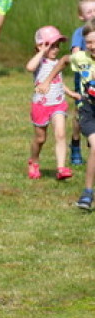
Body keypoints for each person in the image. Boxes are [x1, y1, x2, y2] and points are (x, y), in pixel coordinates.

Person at [26, 26, 77, 181]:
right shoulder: (40, 61)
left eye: (57, 46)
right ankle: (33, 161)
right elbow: (29, 67)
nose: (55, 49)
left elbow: (58, 82)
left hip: (58, 104)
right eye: (51, 45)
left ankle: (61, 168)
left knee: (60, 134)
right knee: (40, 139)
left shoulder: (58, 62)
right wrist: (42, 51)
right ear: (40, 45)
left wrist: (70, 93)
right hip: (41, 105)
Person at [70, 21, 95, 210]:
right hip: (88, 110)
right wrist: (47, 80)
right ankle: (87, 193)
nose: (92, 46)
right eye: (89, 42)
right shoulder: (80, 57)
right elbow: (62, 61)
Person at [69, 0, 95, 166]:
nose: (94, 14)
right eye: (89, 11)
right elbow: (75, 53)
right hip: (83, 80)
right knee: (80, 115)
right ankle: (76, 144)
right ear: (81, 16)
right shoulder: (79, 33)